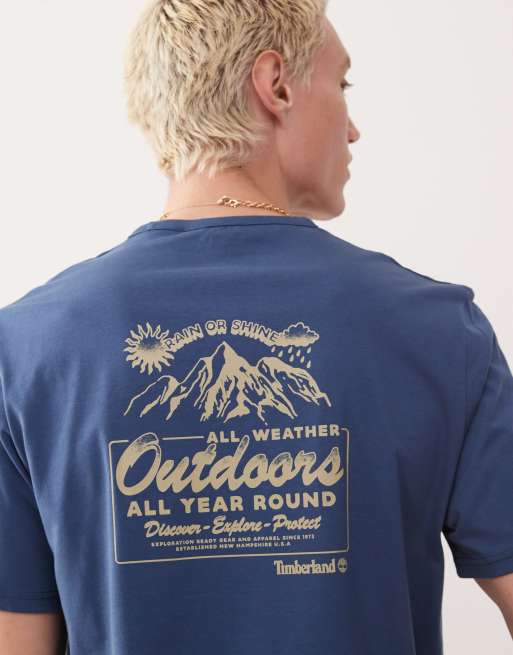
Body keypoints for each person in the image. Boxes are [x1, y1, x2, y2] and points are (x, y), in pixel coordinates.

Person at [0, 0, 512, 653]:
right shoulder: (436, 330)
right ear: (276, 86)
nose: (353, 129)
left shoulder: (27, 347)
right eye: (342, 84)